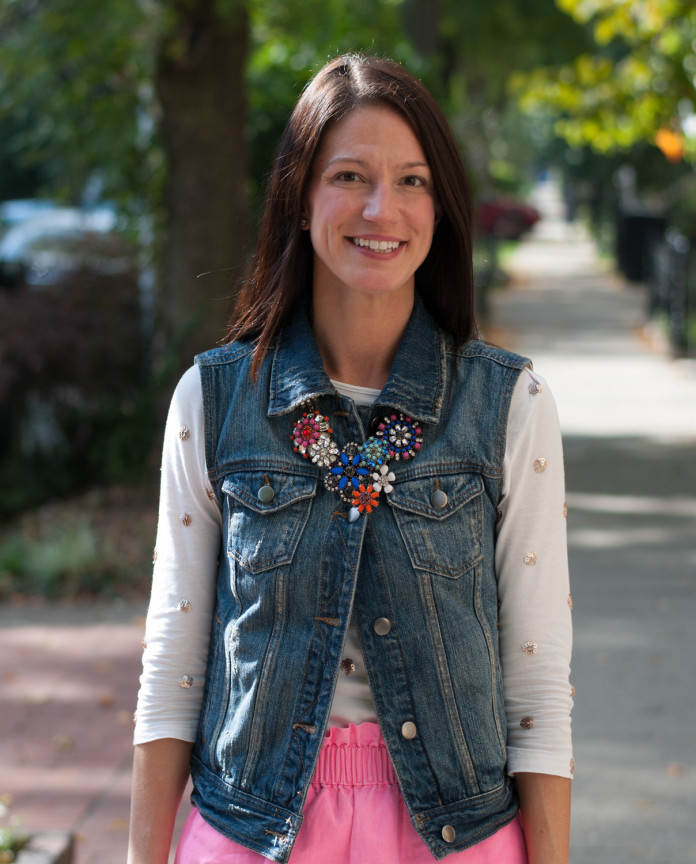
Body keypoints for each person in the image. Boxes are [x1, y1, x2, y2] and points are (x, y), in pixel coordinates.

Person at [128, 53, 573, 864]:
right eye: (349, 176)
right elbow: (173, 672)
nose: (382, 207)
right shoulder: (214, 401)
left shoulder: (509, 406)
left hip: (454, 837)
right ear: (300, 197)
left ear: (441, 208)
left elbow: (536, 688)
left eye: (413, 181)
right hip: (251, 832)